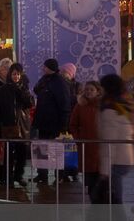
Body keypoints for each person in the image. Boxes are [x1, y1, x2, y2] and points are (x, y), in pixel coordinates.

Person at [95, 73, 134, 221]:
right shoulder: (121, 106)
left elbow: (108, 143)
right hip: (124, 159)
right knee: (114, 205)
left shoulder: (110, 109)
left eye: (101, 87)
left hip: (115, 161)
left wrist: (104, 171)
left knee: (116, 207)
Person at [0, 62, 34, 188]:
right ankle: (6, 178)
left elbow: (29, 104)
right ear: (10, 75)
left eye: (18, 74)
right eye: (14, 74)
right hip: (8, 125)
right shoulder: (3, 89)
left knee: (21, 153)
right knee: (7, 154)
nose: (16, 77)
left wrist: (22, 90)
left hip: (21, 126)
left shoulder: (23, 88)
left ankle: (18, 176)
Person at [32, 58, 72, 186]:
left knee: (56, 149)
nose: (43, 68)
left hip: (55, 122)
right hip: (43, 121)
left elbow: (64, 103)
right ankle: (42, 174)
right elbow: (36, 90)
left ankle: (59, 175)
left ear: (50, 67)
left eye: (45, 67)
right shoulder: (45, 80)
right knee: (42, 147)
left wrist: (64, 123)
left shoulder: (60, 82)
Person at [69, 80, 101, 201]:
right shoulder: (80, 105)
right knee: (89, 174)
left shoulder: (102, 105)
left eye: (91, 90)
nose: (88, 92)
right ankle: (93, 197)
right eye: (87, 89)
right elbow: (73, 124)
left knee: (100, 173)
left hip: (100, 146)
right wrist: (78, 138)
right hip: (86, 145)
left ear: (97, 91)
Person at [60, 62, 80, 181]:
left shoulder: (77, 86)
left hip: (73, 121)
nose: (63, 74)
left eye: (65, 72)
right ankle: (63, 172)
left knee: (72, 149)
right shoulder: (61, 85)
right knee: (62, 148)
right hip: (64, 121)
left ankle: (73, 171)